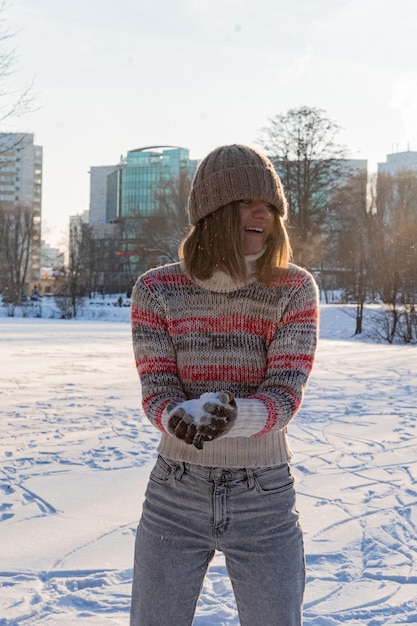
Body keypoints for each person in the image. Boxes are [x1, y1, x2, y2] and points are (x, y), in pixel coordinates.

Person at [130, 144, 319, 626]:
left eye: (272, 207)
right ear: (213, 211)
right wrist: (176, 418)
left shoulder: (294, 289)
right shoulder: (156, 290)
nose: (265, 214)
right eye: (248, 202)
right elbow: (157, 389)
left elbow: (285, 394)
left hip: (265, 495)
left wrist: (233, 416)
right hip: (175, 491)